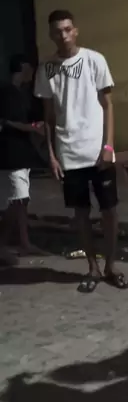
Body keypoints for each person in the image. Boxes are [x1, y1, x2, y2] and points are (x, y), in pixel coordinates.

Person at [34, 9, 128, 292]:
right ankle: (92, 268)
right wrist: (52, 155)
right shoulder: (46, 69)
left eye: (67, 29)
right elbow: (48, 117)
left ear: (75, 31)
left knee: (110, 211)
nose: (63, 35)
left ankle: (111, 266)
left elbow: (108, 105)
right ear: (51, 35)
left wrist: (108, 146)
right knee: (80, 214)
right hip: (69, 153)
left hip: (98, 150)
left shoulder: (94, 60)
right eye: (57, 31)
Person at [0, 54, 45, 262]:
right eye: (28, 68)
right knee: (16, 201)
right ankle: (2, 244)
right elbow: (7, 121)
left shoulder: (20, 93)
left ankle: (24, 242)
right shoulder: (7, 93)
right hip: (11, 154)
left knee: (22, 200)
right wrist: (32, 128)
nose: (31, 73)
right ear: (21, 68)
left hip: (22, 153)